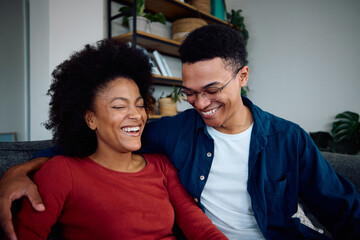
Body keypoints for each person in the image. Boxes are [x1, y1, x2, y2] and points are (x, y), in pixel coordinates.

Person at [1, 24, 360, 239]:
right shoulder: (172, 132)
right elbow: (99, 143)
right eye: (189, 92)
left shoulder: (289, 138)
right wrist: (19, 169)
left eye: (212, 89)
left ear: (243, 77)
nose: (200, 104)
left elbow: (341, 209)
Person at [1, 39, 227, 240]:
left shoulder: (161, 166)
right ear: (90, 119)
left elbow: (200, 229)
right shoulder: (62, 172)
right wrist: (18, 171)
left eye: (140, 105)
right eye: (119, 106)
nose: (136, 115)